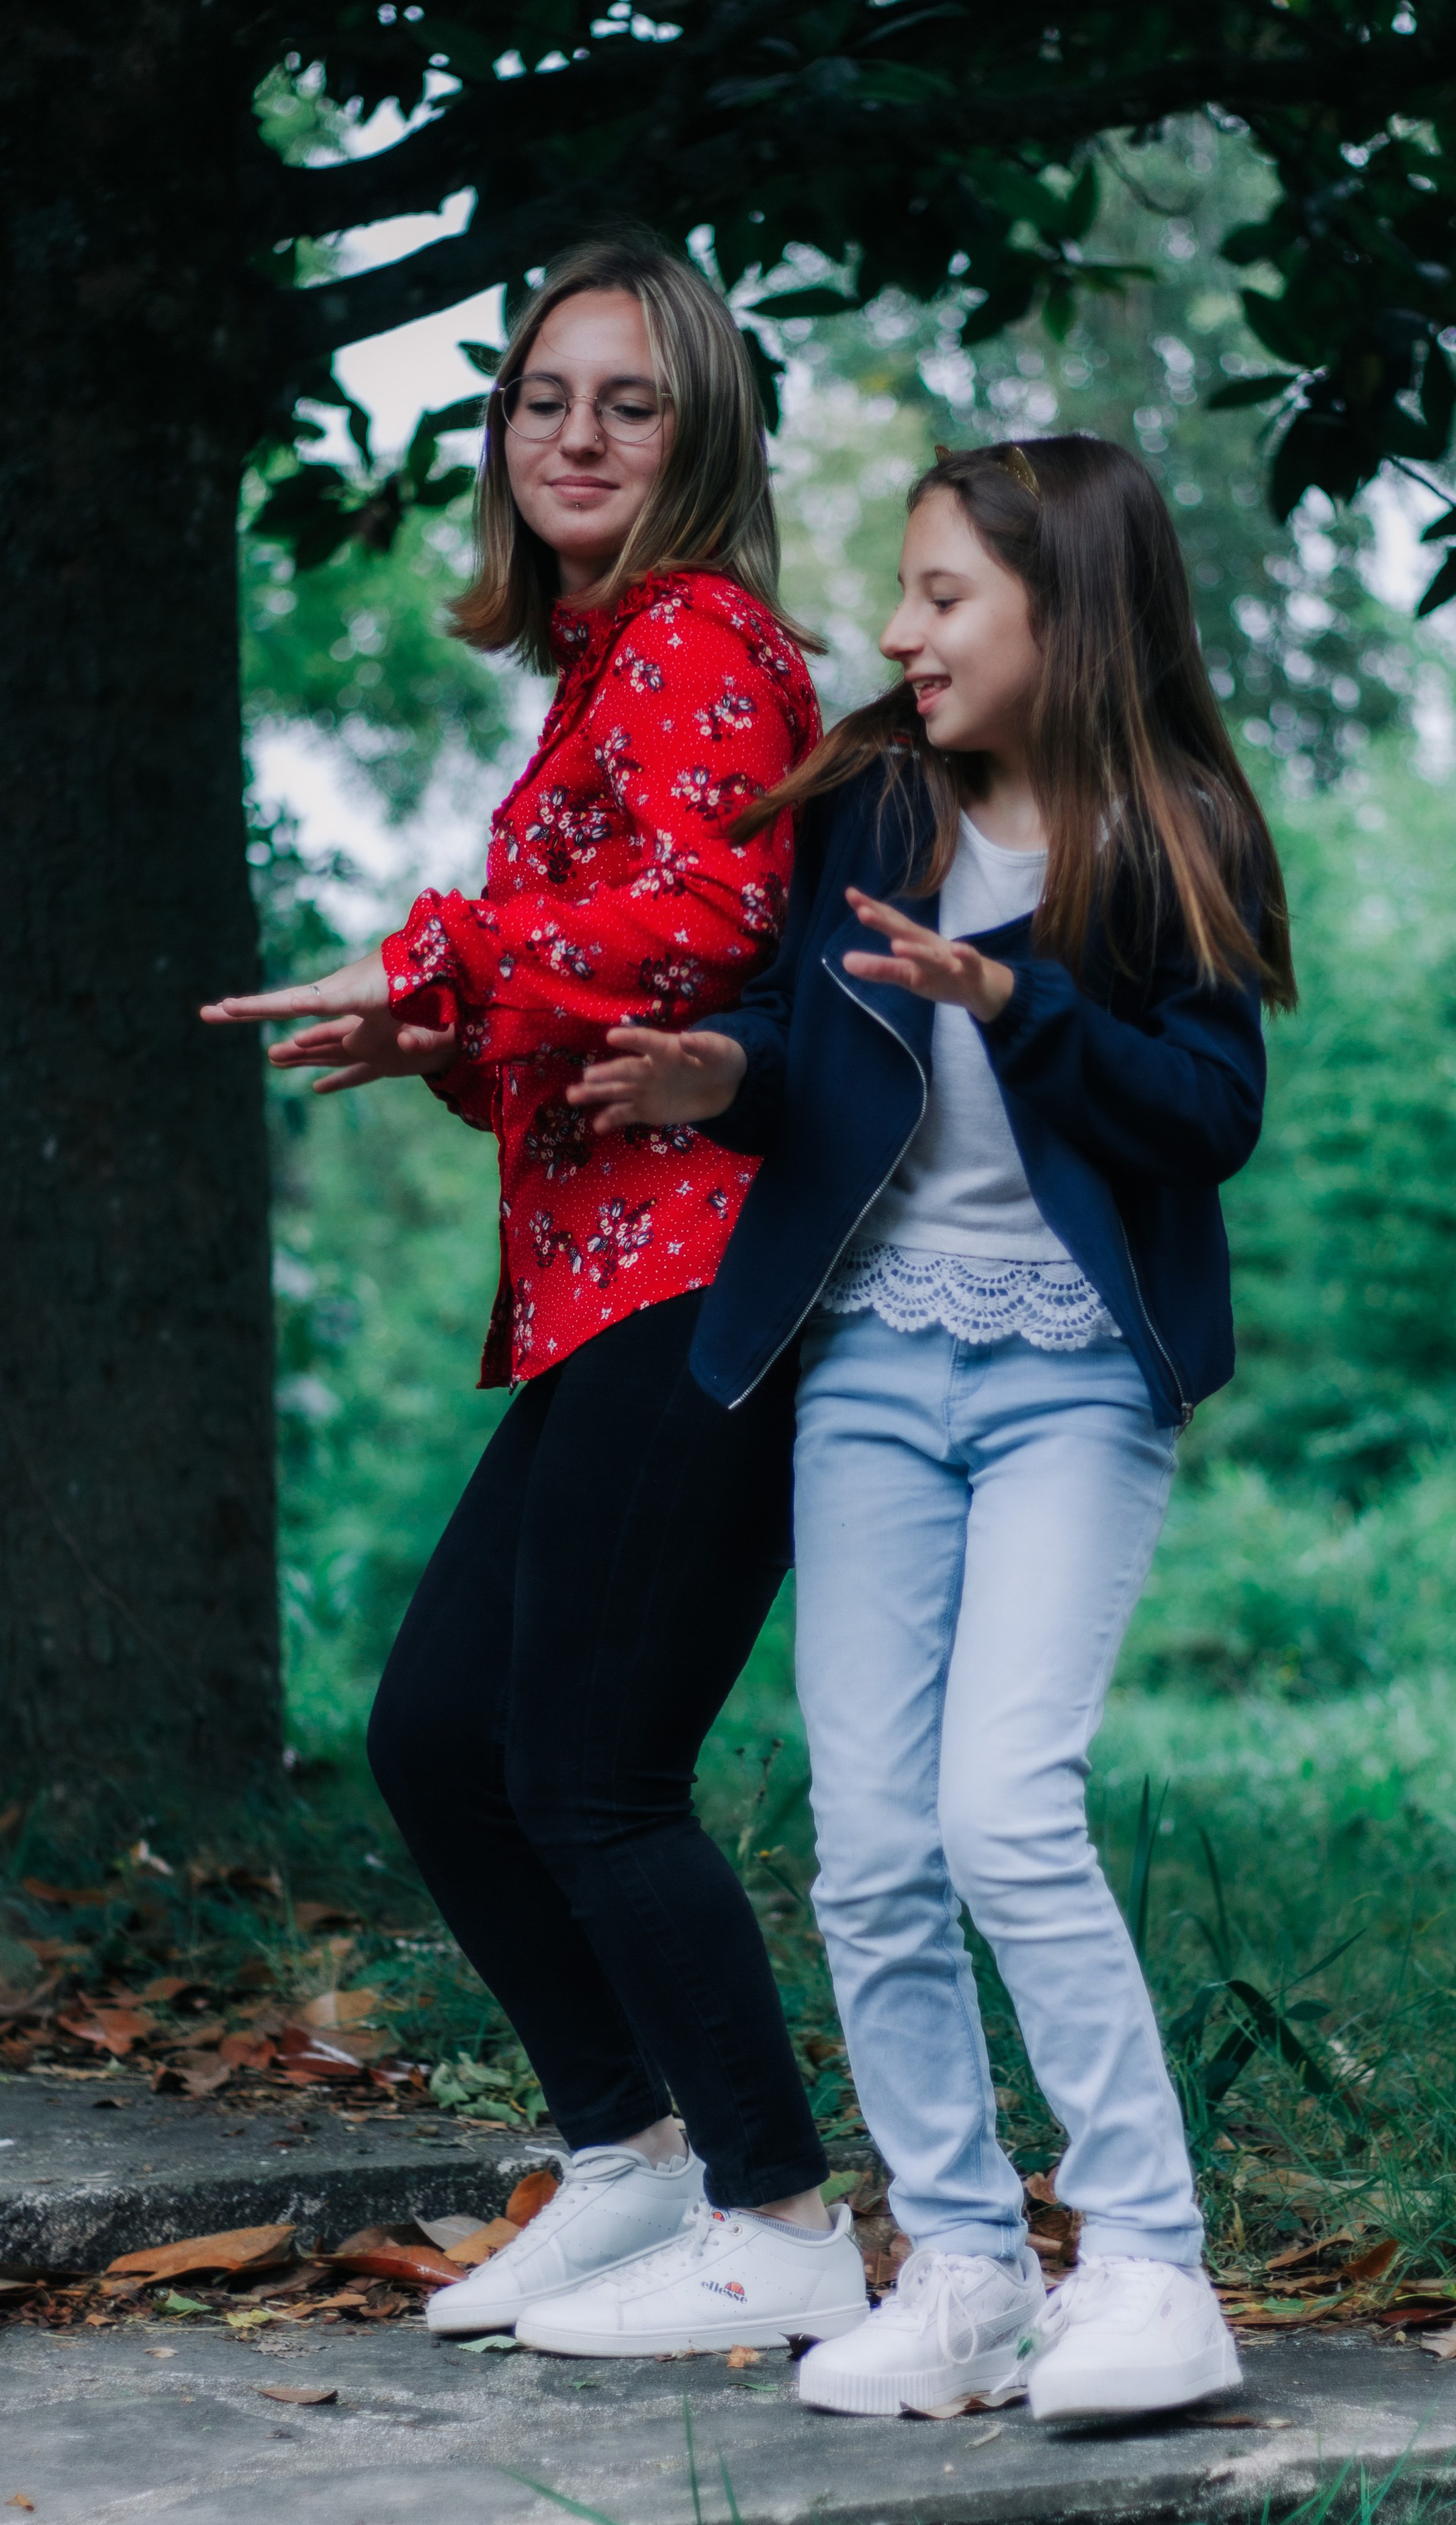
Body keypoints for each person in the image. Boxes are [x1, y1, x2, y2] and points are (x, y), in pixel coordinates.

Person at [560, 435, 1295, 2415]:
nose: (899, 630)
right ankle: (963, 2268)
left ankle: (1149, 2266)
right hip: (875, 1363)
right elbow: (814, 1054)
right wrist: (727, 1069)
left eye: (946, 595)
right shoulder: (878, 797)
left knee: (1004, 1811)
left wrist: (1017, 1001)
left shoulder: (1175, 829)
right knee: (873, 1846)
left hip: (1070, 1376)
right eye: (903, 590)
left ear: (1075, 610)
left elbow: (1206, 1114)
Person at [201, 231, 868, 2358]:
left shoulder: (697, 640)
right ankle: (628, 2162)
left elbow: (698, 914)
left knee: (591, 1769)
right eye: (541, 399)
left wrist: (439, 967)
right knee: (434, 1740)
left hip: (703, 1290)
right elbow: (606, 980)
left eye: (630, 401)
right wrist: (451, 1037)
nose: (573, 437)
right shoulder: (603, 663)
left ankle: (780, 2215)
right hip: (599, 1295)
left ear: (703, 435)